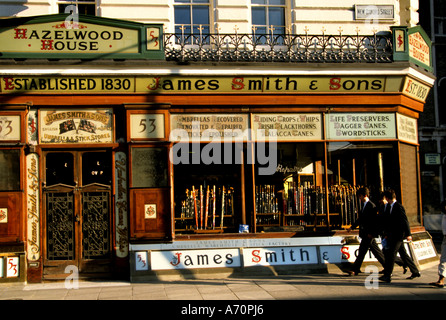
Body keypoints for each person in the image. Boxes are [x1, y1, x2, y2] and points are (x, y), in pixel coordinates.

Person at [379, 189, 420, 283]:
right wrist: (386, 234)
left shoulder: (398, 207)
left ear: (388, 198)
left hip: (398, 235)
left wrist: (408, 234)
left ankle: (387, 275)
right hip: (392, 235)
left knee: (391, 254)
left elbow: (405, 221)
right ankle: (415, 271)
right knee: (403, 254)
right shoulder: (390, 207)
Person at [347, 187, 385, 276]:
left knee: (362, 252)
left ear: (365, 195)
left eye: (360, 196)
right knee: (377, 252)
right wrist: (352, 227)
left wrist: (372, 233)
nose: (359, 198)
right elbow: (360, 219)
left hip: (369, 234)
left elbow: (374, 222)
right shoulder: (364, 205)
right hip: (366, 233)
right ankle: (389, 266)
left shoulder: (371, 206)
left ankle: (355, 269)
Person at [429, 200, 446, 288]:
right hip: (445, 238)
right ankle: (441, 279)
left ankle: (441, 280)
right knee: (443, 260)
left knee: (443, 260)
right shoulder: (444, 216)